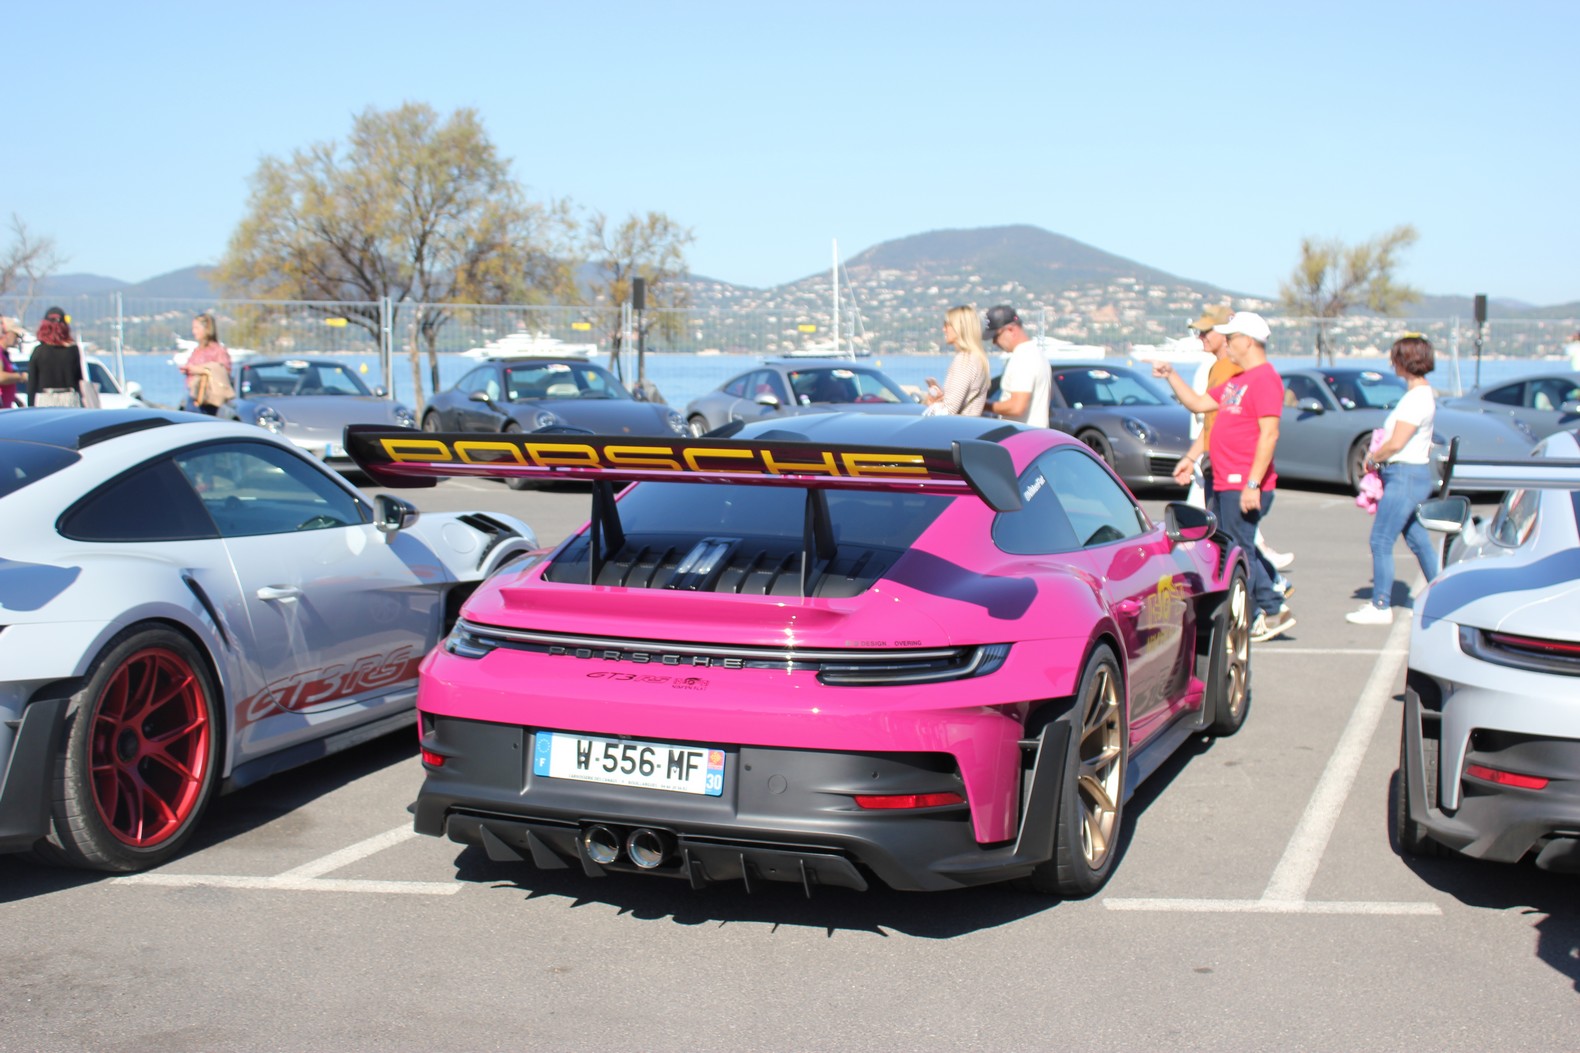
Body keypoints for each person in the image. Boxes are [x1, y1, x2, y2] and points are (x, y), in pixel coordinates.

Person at [1153, 311, 1293, 641]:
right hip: (1223, 479)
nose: (1226, 344)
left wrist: (1253, 484)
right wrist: (1171, 375)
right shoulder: (1236, 382)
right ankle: (1263, 603)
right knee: (1232, 544)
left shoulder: (1264, 378)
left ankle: (1267, 609)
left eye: (1230, 338)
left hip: (1242, 483)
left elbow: (1269, 434)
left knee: (1237, 547)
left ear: (1247, 341)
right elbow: (1200, 405)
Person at [1345, 334, 1440, 625]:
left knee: (1381, 538)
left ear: (1405, 361)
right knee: (1417, 539)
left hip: (1404, 474)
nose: (1391, 362)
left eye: (1395, 357)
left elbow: (1397, 441)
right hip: (1409, 474)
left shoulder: (1416, 398)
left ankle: (1380, 605)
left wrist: (1373, 458)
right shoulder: (1421, 395)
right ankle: (1441, 594)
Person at [982, 305, 1050, 427]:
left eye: (996, 336)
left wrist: (984, 405)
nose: (994, 342)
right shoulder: (1036, 354)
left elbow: (1017, 406)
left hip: (1022, 438)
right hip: (1036, 436)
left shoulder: (1023, 357)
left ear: (1011, 330)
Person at [925, 305, 991, 416]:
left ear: (960, 327)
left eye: (947, 325)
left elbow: (948, 412)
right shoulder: (977, 358)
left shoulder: (965, 360)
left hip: (959, 430)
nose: (944, 329)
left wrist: (932, 406)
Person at [26, 313, 84, 407]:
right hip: (69, 397)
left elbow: (32, 383)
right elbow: (79, 379)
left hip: (46, 398)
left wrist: (30, 406)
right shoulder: (73, 350)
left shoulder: (39, 351)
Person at [181, 312, 233, 415]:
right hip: (194, 395)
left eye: (196, 328)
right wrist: (187, 369)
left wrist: (198, 370)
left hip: (208, 398)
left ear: (206, 329)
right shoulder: (198, 350)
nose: (193, 332)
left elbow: (224, 371)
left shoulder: (218, 350)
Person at [0, 317, 25, 409]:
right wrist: (22, 376)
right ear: (6, 333)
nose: (18, 338)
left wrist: (15, 399)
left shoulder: (5, 354)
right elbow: (1, 377)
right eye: (15, 334)